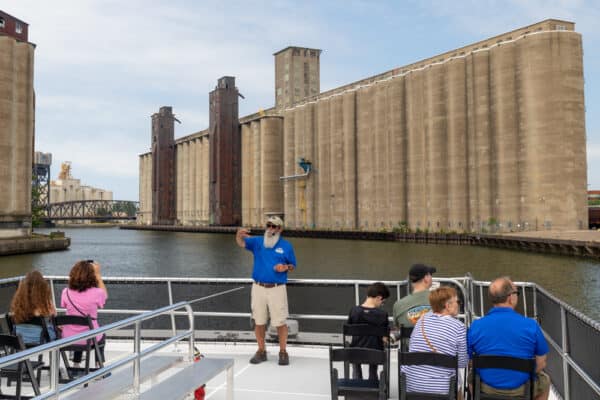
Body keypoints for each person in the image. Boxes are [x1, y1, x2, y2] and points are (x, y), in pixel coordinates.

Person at [468, 277, 551, 400]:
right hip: (521, 389)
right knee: (545, 381)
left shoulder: (476, 326)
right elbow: (541, 363)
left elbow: (469, 360)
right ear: (510, 298)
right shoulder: (530, 325)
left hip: (486, 388)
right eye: (517, 293)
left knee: (471, 377)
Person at [236, 216, 297, 366]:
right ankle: (261, 351)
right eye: (268, 225)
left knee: (280, 322)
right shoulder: (257, 242)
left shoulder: (286, 246)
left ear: (280, 229)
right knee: (259, 321)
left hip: (277, 288)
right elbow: (242, 242)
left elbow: (293, 265)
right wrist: (238, 234)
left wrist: (285, 267)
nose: (270, 229)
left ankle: (283, 352)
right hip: (258, 288)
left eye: (274, 226)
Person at [402, 286, 468, 398]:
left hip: (412, 386)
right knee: (459, 381)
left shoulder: (421, 320)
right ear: (448, 306)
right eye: (458, 301)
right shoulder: (459, 327)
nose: (459, 304)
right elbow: (462, 363)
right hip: (442, 390)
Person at [60, 260, 108, 366]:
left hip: (69, 338)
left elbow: (64, 305)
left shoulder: (65, 292)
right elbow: (105, 297)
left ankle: (76, 364)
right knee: (101, 335)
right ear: (92, 276)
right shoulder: (97, 293)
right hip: (90, 339)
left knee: (78, 330)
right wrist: (98, 275)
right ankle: (99, 366)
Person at [347, 282, 390, 381]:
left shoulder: (354, 311)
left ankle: (357, 386)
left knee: (356, 365)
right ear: (379, 298)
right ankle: (373, 385)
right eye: (383, 302)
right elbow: (384, 337)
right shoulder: (382, 314)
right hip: (375, 354)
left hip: (356, 353)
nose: (381, 304)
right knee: (373, 368)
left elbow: (349, 331)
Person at [10, 270, 57, 345]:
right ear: (42, 287)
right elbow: (54, 316)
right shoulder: (45, 303)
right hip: (41, 339)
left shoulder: (18, 305)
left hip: (21, 340)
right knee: (57, 331)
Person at [393, 263, 437, 328]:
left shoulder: (398, 305)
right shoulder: (440, 300)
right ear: (426, 278)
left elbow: (397, 328)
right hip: (433, 338)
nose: (431, 277)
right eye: (430, 275)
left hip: (408, 338)